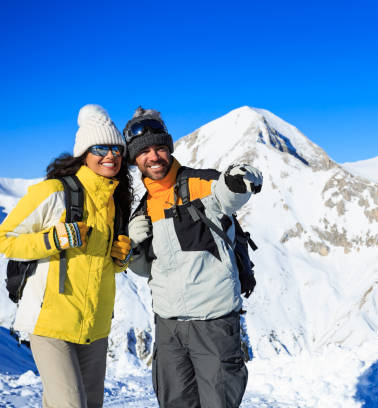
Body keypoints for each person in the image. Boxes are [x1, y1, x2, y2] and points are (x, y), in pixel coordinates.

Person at [125, 107, 262, 408]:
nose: (154, 156)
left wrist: (240, 178)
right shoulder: (143, 210)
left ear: (170, 148)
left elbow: (227, 193)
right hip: (169, 328)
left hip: (213, 324)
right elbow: (146, 268)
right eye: (144, 151)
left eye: (160, 148)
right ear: (135, 159)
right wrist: (134, 246)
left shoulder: (201, 184)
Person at [0, 104, 133, 408]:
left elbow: (99, 268)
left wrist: (120, 261)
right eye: (101, 147)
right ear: (84, 153)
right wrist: (54, 239)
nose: (110, 155)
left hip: (95, 328)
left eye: (116, 149)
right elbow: (4, 239)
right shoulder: (53, 192)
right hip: (51, 325)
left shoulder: (115, 203)